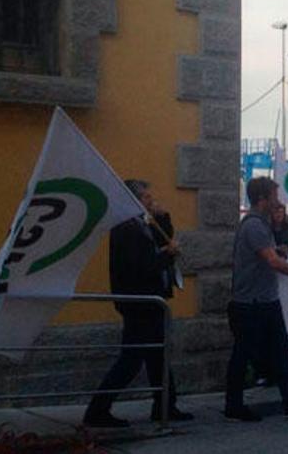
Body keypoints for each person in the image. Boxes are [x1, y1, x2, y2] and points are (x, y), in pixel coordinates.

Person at [83, 180, 193, 428]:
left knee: (158, 356)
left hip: (150, 301)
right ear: (132, 200)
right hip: (139, 302)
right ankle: (98, 409)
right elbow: (141, 266)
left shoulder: (140, 224)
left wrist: (163, 217)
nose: (150, 201)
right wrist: (167, 255)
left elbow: (160, 237)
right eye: (145, 197)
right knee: (131, 359)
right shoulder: (126, 228)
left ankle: (164, 405)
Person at [224, 177, 288, 422]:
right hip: (251, 303)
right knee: (244, 353)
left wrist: (277, 251)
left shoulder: (261, 224)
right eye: (274, 196)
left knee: (280, 350)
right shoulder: (255, 226)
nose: (278, 201)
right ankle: (233, 406)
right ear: (263, 199)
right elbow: (272, 262)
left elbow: (267, 255)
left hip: (263, 300)